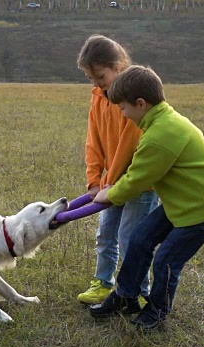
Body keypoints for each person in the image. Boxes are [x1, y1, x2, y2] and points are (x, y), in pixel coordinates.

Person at [89, 65, 204, 330]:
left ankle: (157, 310)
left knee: (167, 260)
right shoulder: (160, 120)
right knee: (141, 238)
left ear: (141, 104)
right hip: (182, 202)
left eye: (123, 108)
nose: (122, 114)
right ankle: (126, 296)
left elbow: (137, 180)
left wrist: (108, 194)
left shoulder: (160, 134)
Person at [75, 35, 158, 305]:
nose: (97, 83)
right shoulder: (98, 98)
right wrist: (94, 181)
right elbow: (93, 140)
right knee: (106, 235)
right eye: (91, 78)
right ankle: (102, 282)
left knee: (132, 239)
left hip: (138, 184)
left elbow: (129, 144)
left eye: (100, 76)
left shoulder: (135, 99)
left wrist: (110, 183)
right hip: (109, 185)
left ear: (118, 66)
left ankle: (141, 292)